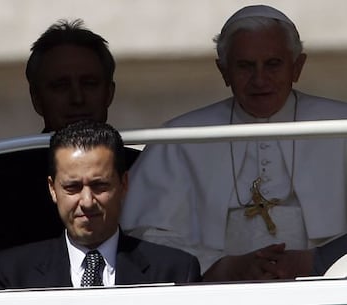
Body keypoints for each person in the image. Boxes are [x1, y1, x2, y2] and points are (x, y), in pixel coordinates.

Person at [120, 4, 347, 281]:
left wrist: (318, 262)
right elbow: (144, 233)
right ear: (224, 71)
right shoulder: (180, 137)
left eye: (273, 64)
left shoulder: (340, 126)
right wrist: (218, 266)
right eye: (245, 66)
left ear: (297, 67)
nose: (260, 79)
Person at [0, 19, 140, 290]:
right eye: (60, 86)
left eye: (89, 83)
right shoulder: (0, 171)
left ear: (109, 93)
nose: (77, 97)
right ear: (37, 98)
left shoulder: (142, 165)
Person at [0, 121, 201, 289]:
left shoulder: (174, 271)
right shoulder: (12, 274)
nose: (87, 201)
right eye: (72, 187)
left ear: (124, 184)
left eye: (99, 185)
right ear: (53, 189)